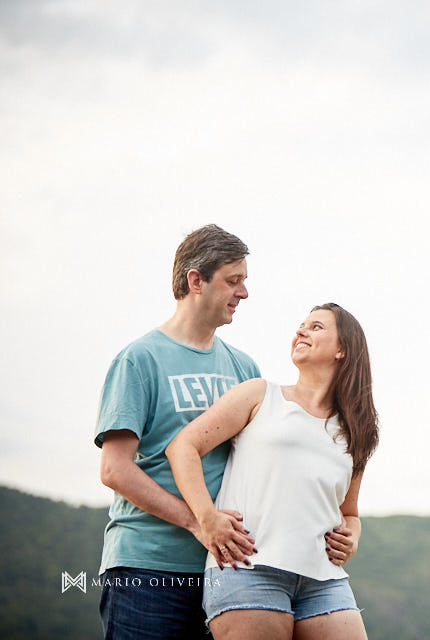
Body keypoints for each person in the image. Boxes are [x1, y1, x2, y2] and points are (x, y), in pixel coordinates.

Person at [166, 303, 379, 640]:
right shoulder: (260, 395)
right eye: (302, 325)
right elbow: (182, 447)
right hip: (249, 568)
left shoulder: (357, 429)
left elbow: (349, 512)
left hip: (324, 580)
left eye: (316, 327)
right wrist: (206, 518)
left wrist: (352, 537)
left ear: (342, 350)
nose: (302, 331)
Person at [94, 224, 261, 639]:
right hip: (146, 569)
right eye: (233, 281)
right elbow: (114, 469)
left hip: (226, 573)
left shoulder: (245, 370)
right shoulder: (139, 360)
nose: (244, 293)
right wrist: (197, 522)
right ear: (195, 281)